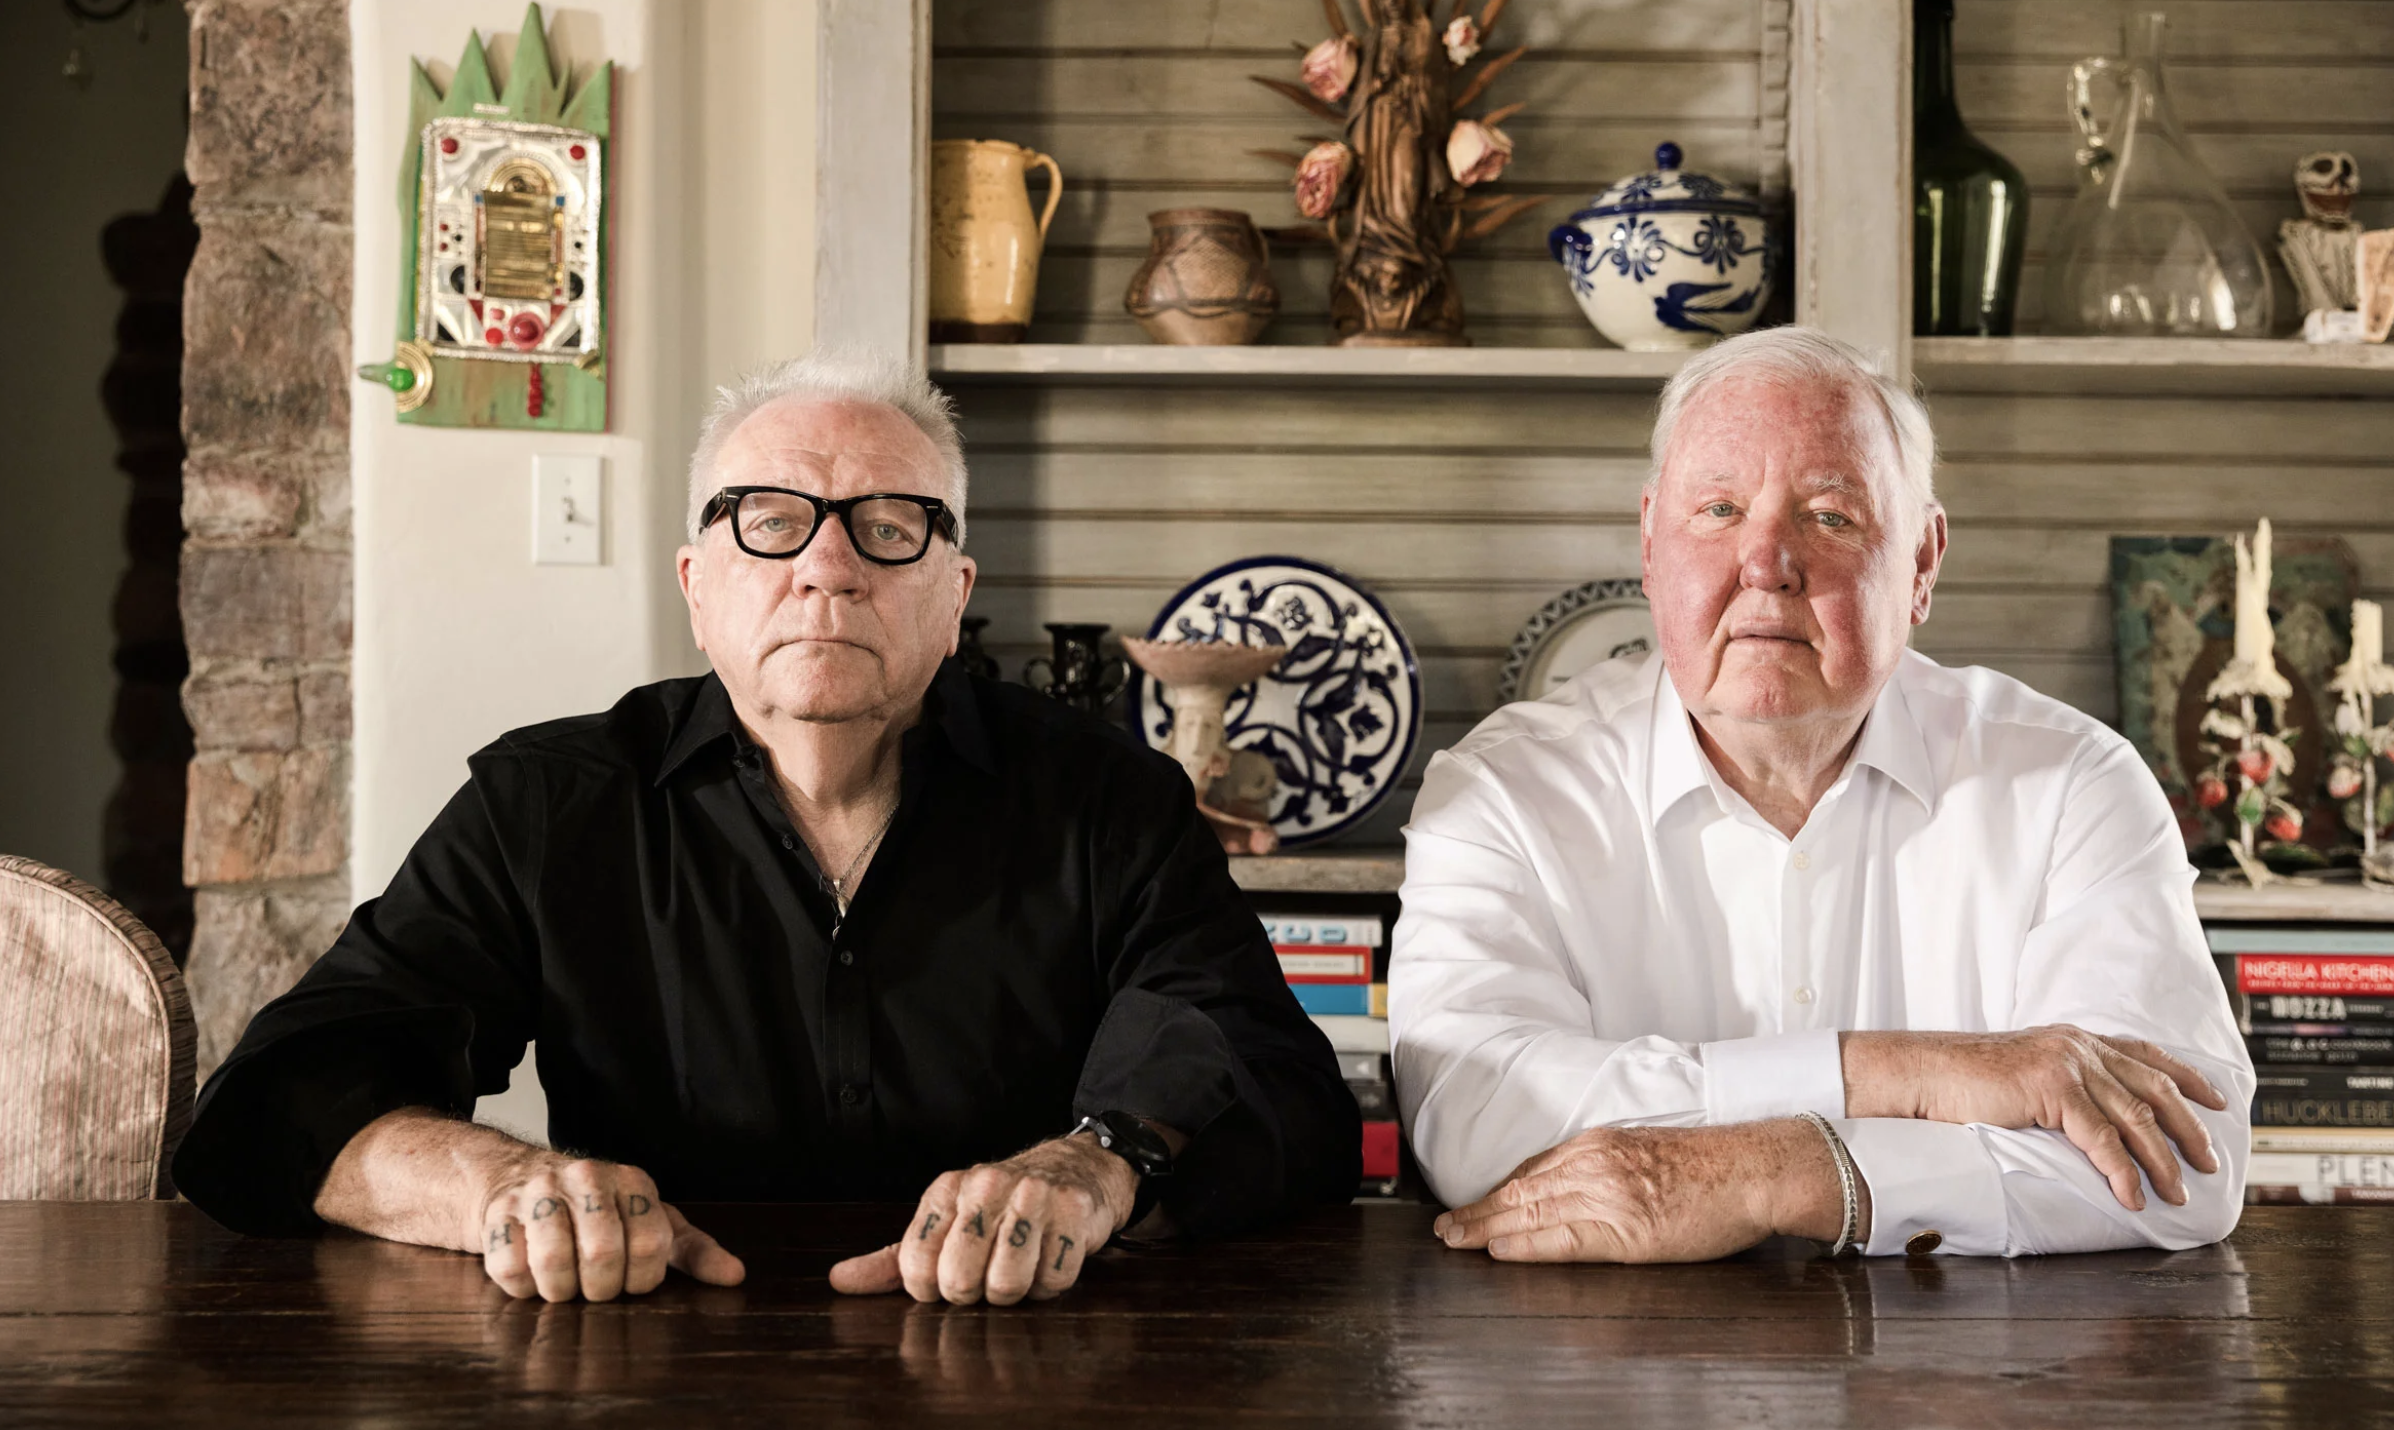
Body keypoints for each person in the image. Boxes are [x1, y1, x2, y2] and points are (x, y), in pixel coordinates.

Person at [173, 349, 1359, 1306]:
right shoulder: (549, 804)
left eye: (890, 524)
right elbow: (285, 1098)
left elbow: (1280, 1092)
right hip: (636, 1372)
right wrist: (501, 1184)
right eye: (769, 519)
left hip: (1026, 1364)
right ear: (696, 586)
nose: (828, 565)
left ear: (954, 596)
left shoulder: (1109, 799)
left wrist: (1098, 1166)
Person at [1389, 326, 2251, 1263]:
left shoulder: (2072, 783)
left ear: (1922, 562)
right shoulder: (1506, 790)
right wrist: (1910, 1075)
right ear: (1649, 546)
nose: (1766, 564)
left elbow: (2182, 1169)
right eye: (1718, 511)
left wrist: (1786, 1173)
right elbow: (1473, 1124)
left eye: (1830, 517)